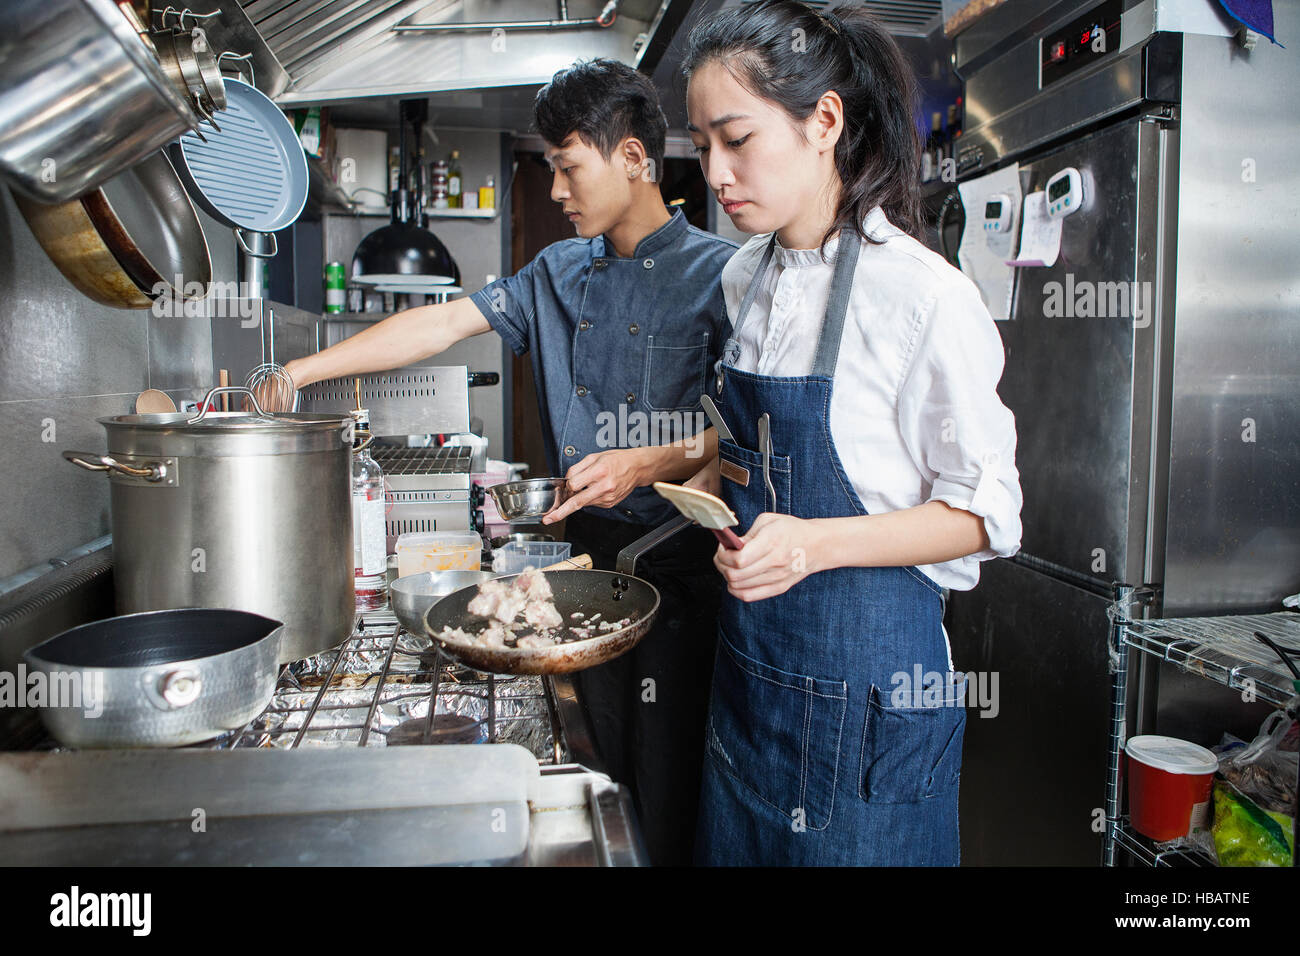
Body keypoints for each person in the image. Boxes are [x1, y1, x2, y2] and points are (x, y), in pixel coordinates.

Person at [279, 59, 735, 866]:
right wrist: (300, 374)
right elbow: (439, 326)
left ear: (633, 158)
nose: (557, 190)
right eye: (551, 169)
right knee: (596, 765)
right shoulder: (558, 270)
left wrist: (649, 459)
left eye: (567, 166)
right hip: (585, 562)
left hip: (681, 575)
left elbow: (739, 432)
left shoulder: (721, 274)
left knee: (669, 791)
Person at [619, 0, 1024, 865]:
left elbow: (987, 517)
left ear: (825, 122)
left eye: (738, 138)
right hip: (751, 696)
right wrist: (702, 484)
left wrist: (811, 545)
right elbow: (753, 448)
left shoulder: (922, 297)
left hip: (871, 709)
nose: (717, 172)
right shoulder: (741, 280)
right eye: (702, 144)